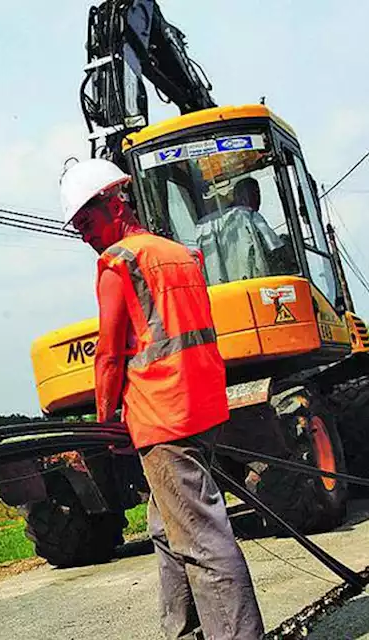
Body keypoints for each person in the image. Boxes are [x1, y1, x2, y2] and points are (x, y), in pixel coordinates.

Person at [60, 158, 265, 639]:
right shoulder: (178, 253)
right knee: (165, 526)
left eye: (88, 222)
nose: (86, 236)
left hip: (163, 417)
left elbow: (110, 355)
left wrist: (105, 420)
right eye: (78, 230)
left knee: (203, 542)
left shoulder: (118, 263)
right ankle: (183, 629)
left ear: (115, 203)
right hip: (202, 406)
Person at [193, 176, 292, 282]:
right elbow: (276, 250)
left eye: (258, 194)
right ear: (237, 196)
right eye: (254, 193)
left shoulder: (204, 225)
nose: (257, 198)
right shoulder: (249, 216)